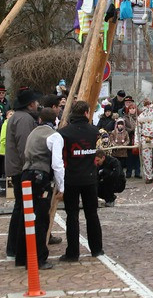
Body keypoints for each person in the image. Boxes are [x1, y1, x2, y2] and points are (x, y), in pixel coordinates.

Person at [20, 104, 65, 270]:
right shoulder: (54, 136)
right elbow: (57, 164)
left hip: (26, 174)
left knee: (27, 217)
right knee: (41, 219)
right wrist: (62, 186)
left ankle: (24, 256)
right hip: (41, 176)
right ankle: (39, 258)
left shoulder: (33, 133)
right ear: (55, 120)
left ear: (40, 119)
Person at [58, 100, 104, 259]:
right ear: (86, 113)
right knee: (92, 214)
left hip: (71, 177)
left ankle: (72, 253)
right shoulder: (94, 131)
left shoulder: (64, 133)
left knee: (72, 215)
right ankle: (97, 248)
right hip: (90, 178)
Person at [4, 89, 41, 262]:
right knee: (22, 209)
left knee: (20, 208)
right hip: (22, 169)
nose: (38, 105)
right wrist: (30, 167)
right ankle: (17, 248)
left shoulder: (18, 117)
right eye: (36, 102)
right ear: (30, 104)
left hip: (17, 167)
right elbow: (26, 147)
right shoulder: (24, 119)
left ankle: (15, 247)